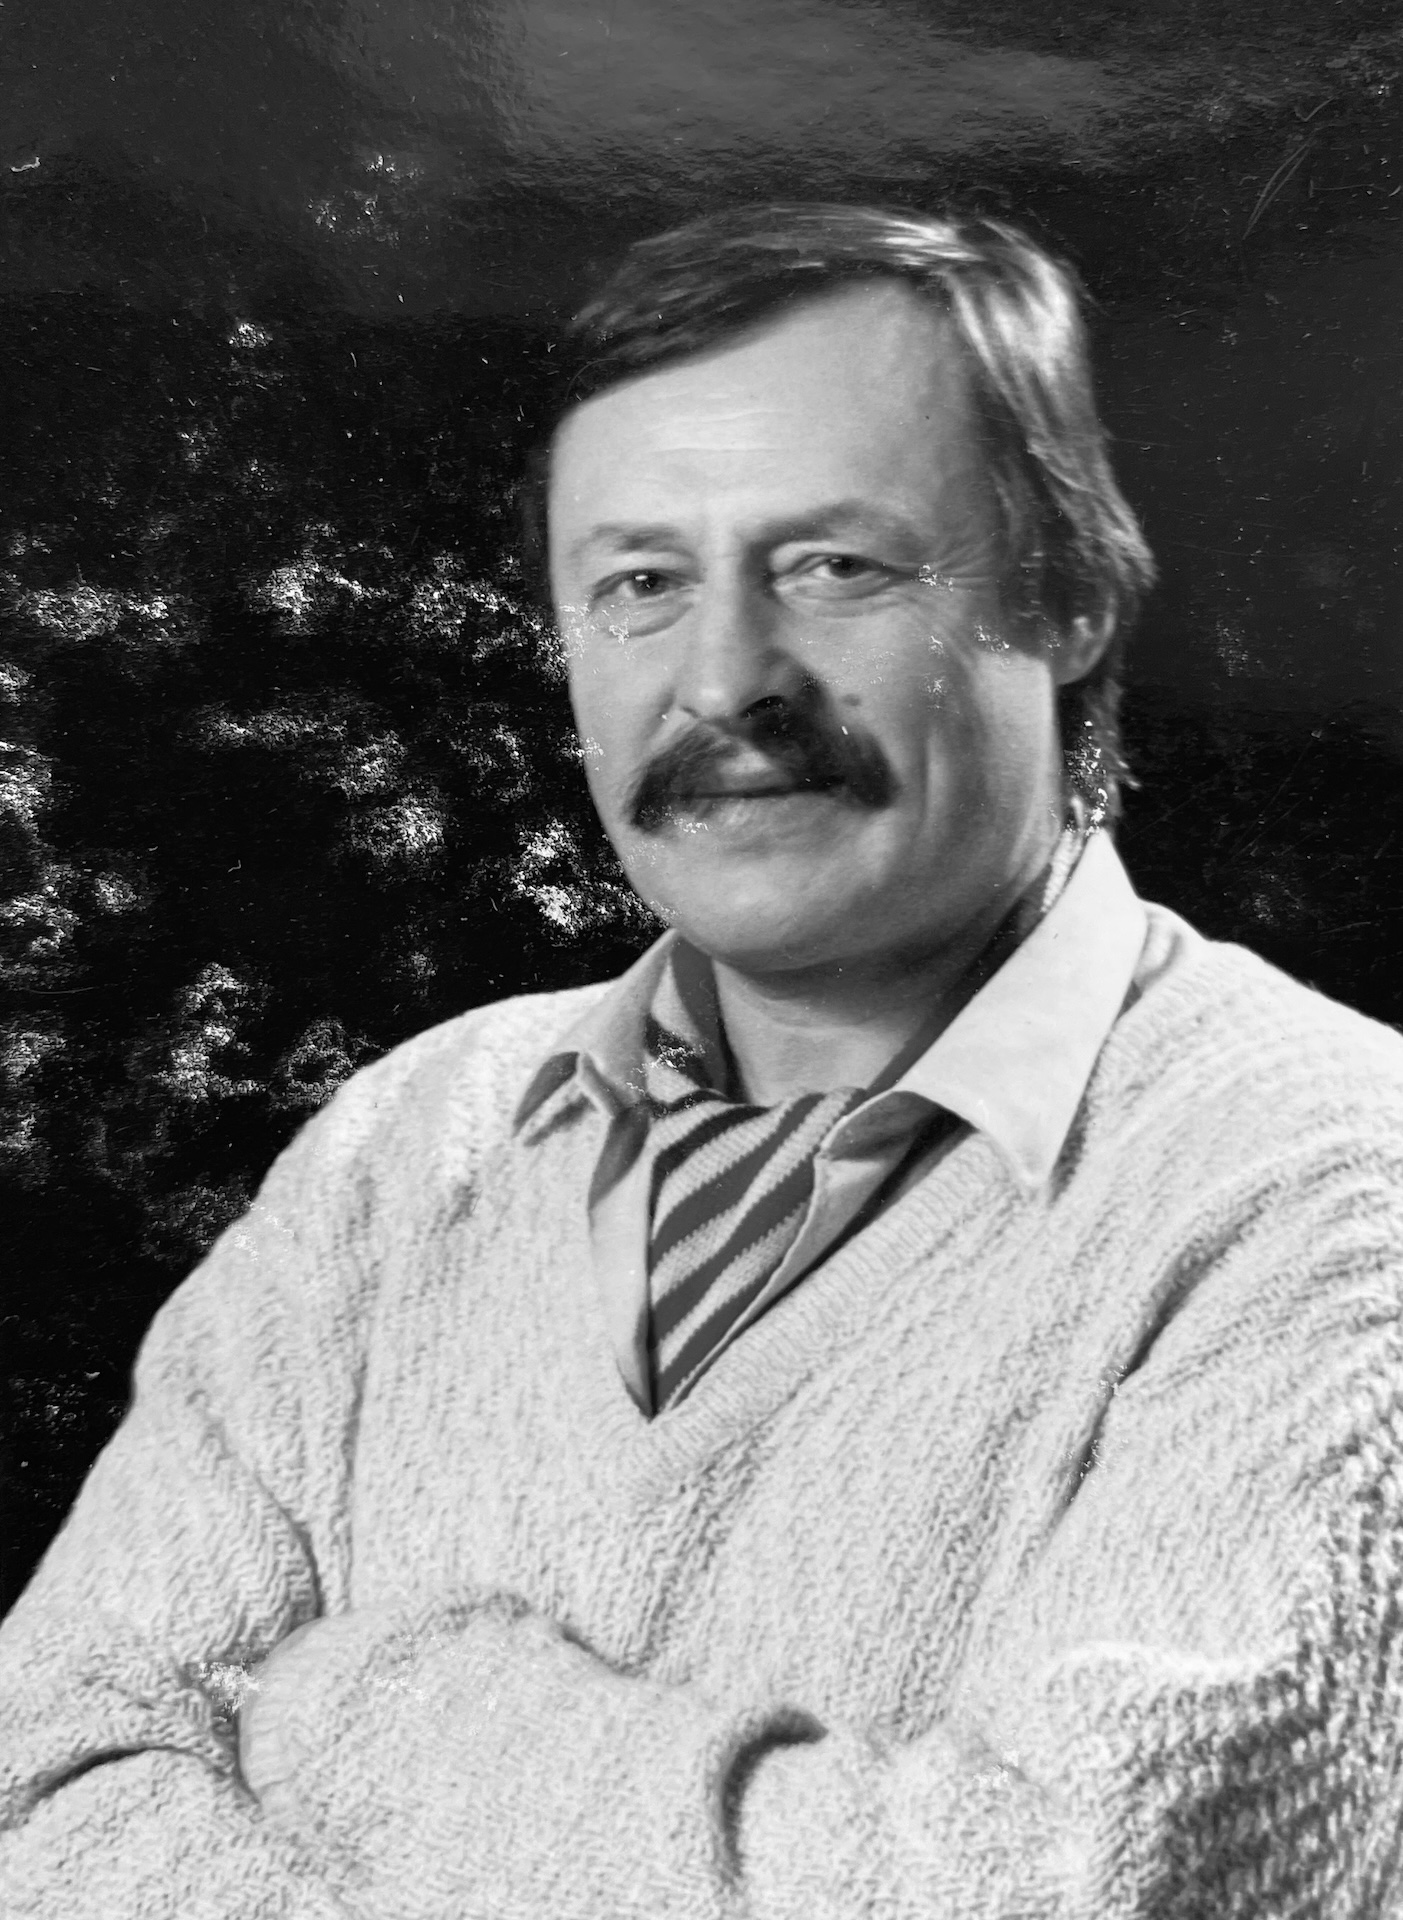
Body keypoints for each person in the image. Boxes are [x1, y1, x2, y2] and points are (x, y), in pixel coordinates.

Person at [3, 201, 1403, 1920]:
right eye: (642, 585)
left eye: (836, 566)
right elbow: (38, 1788)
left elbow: (1057, 1894)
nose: (725, 679)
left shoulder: (1336, 1194)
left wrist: (377, 1713)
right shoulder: (409, 1146)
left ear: (1071, 599)